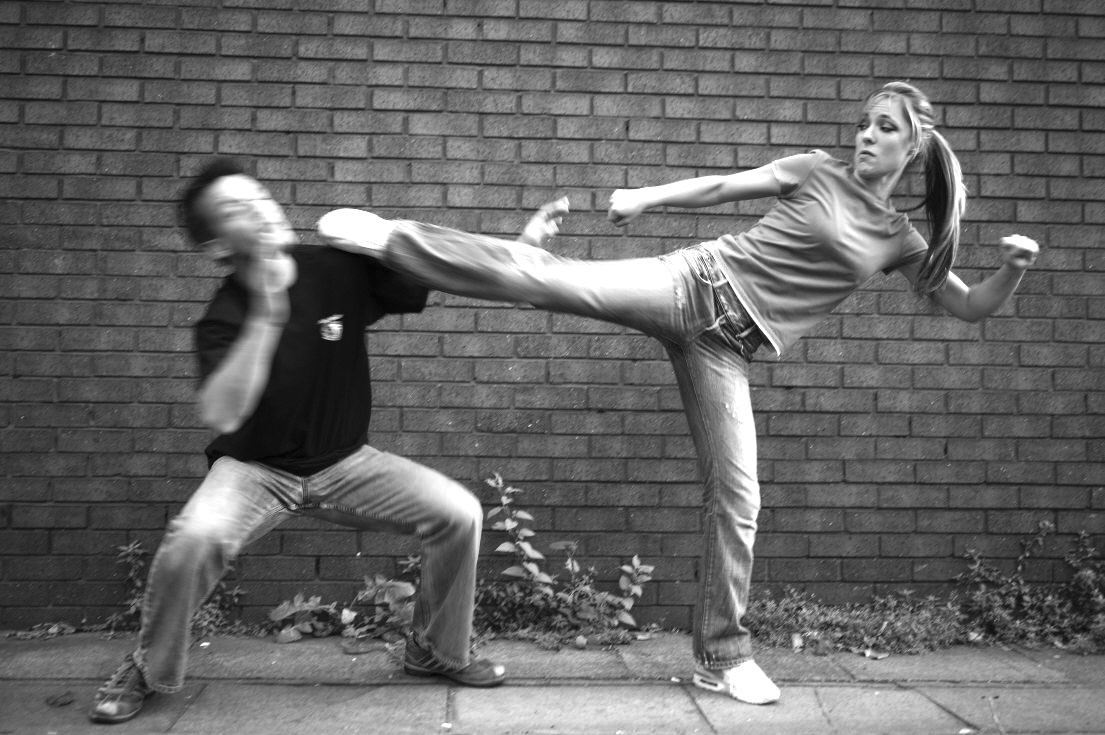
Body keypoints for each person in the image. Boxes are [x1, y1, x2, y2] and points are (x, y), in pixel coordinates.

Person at [314, 81, 1040, 706]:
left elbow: (969, 305)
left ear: (914, 147)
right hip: (694, 283)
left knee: (739, 497)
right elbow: (724, 187)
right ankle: (394, 241)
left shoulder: (899, 238)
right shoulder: (816, 169)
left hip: (726, 348)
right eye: (863, 122)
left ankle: (722, 655)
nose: (866, 136)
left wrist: (1011, 268)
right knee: (552, 280)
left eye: (885, 127)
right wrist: (644, 197)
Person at [88, 158, 510, 725]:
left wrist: (506, 255)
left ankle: (435, 651)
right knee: (193, 541)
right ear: (217, 246)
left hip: (346, 462)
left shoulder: (331, 269)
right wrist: (268, 310)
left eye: (258, 194)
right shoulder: (223, 318)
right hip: (255, 471)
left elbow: (423, 273)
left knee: (459, 514)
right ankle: (149, 667)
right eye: (236, 208)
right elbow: (223, 411)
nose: (261, 207)